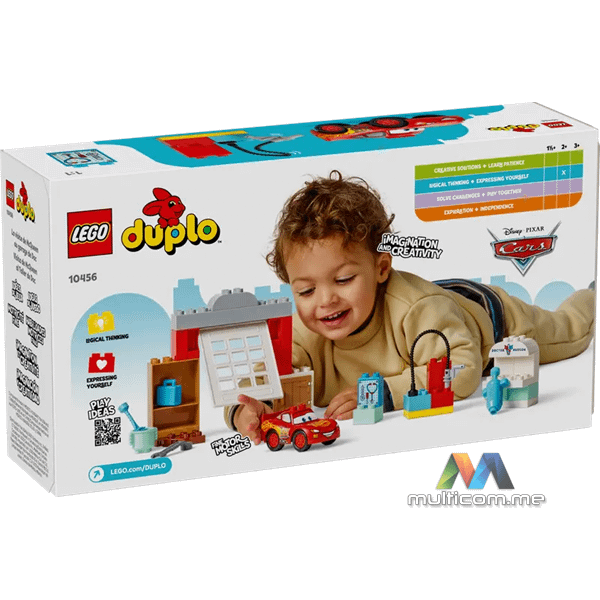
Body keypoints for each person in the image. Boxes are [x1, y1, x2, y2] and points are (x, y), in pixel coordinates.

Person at [226, 171, 595, 443]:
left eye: (343, 280)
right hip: (438, 302)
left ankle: (591, 293)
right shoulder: (304, 329)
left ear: (381, 268)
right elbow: (264, 376)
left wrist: (384, 393)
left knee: (571, 328)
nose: (325, 301)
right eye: (306, 290)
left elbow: (462, 368)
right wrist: (245, 408)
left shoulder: (417, 310)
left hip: (490, 316)